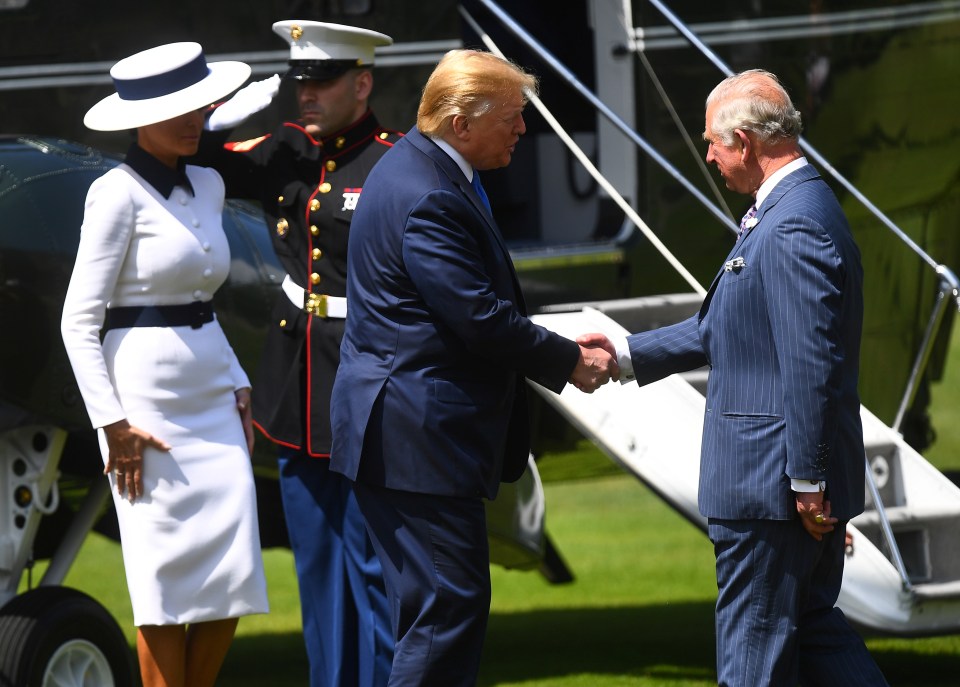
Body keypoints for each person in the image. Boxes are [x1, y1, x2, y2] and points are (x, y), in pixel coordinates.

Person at [581, 69, 888, 686]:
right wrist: (624, 355)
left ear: (744, 141)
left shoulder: (793, 221)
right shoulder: (787, 209)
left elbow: (810, 362)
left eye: (713, 144)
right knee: (814, 633)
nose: (710, 157)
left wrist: (806, 478)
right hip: (776, 485)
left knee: (753, 659)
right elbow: (727, 326)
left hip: (771, 489)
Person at [328, 49, 619, 686]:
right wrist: (568, 358)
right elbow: (478, 317)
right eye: (513, 117)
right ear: (461, 123)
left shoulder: (416, 168)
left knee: (434, 610)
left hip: (405, 433)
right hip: (416, 439)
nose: (523, 129)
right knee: (446, 608)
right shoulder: (428, 192)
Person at [192, 20, 398, 687]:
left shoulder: (395, 160)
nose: (306, 94)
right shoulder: (283, 149)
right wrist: (215, 121)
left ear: (362, 83)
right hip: (295, 378)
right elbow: (195, 161)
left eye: (324, 81)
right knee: (316, 560)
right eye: (301, 81)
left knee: (374, 562)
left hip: (366, 374)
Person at [60, 42, 269, 687]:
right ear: (137, 118)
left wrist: (237, 380)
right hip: (144, 407)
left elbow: (202, 302)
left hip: (215, 395)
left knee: (232, 573)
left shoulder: (209, 181)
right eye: (175, 109)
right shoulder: (112, 194)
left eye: (197, 104)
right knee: (164, 580)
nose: (193, 117)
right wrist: (112, 424)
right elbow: (76, 322)